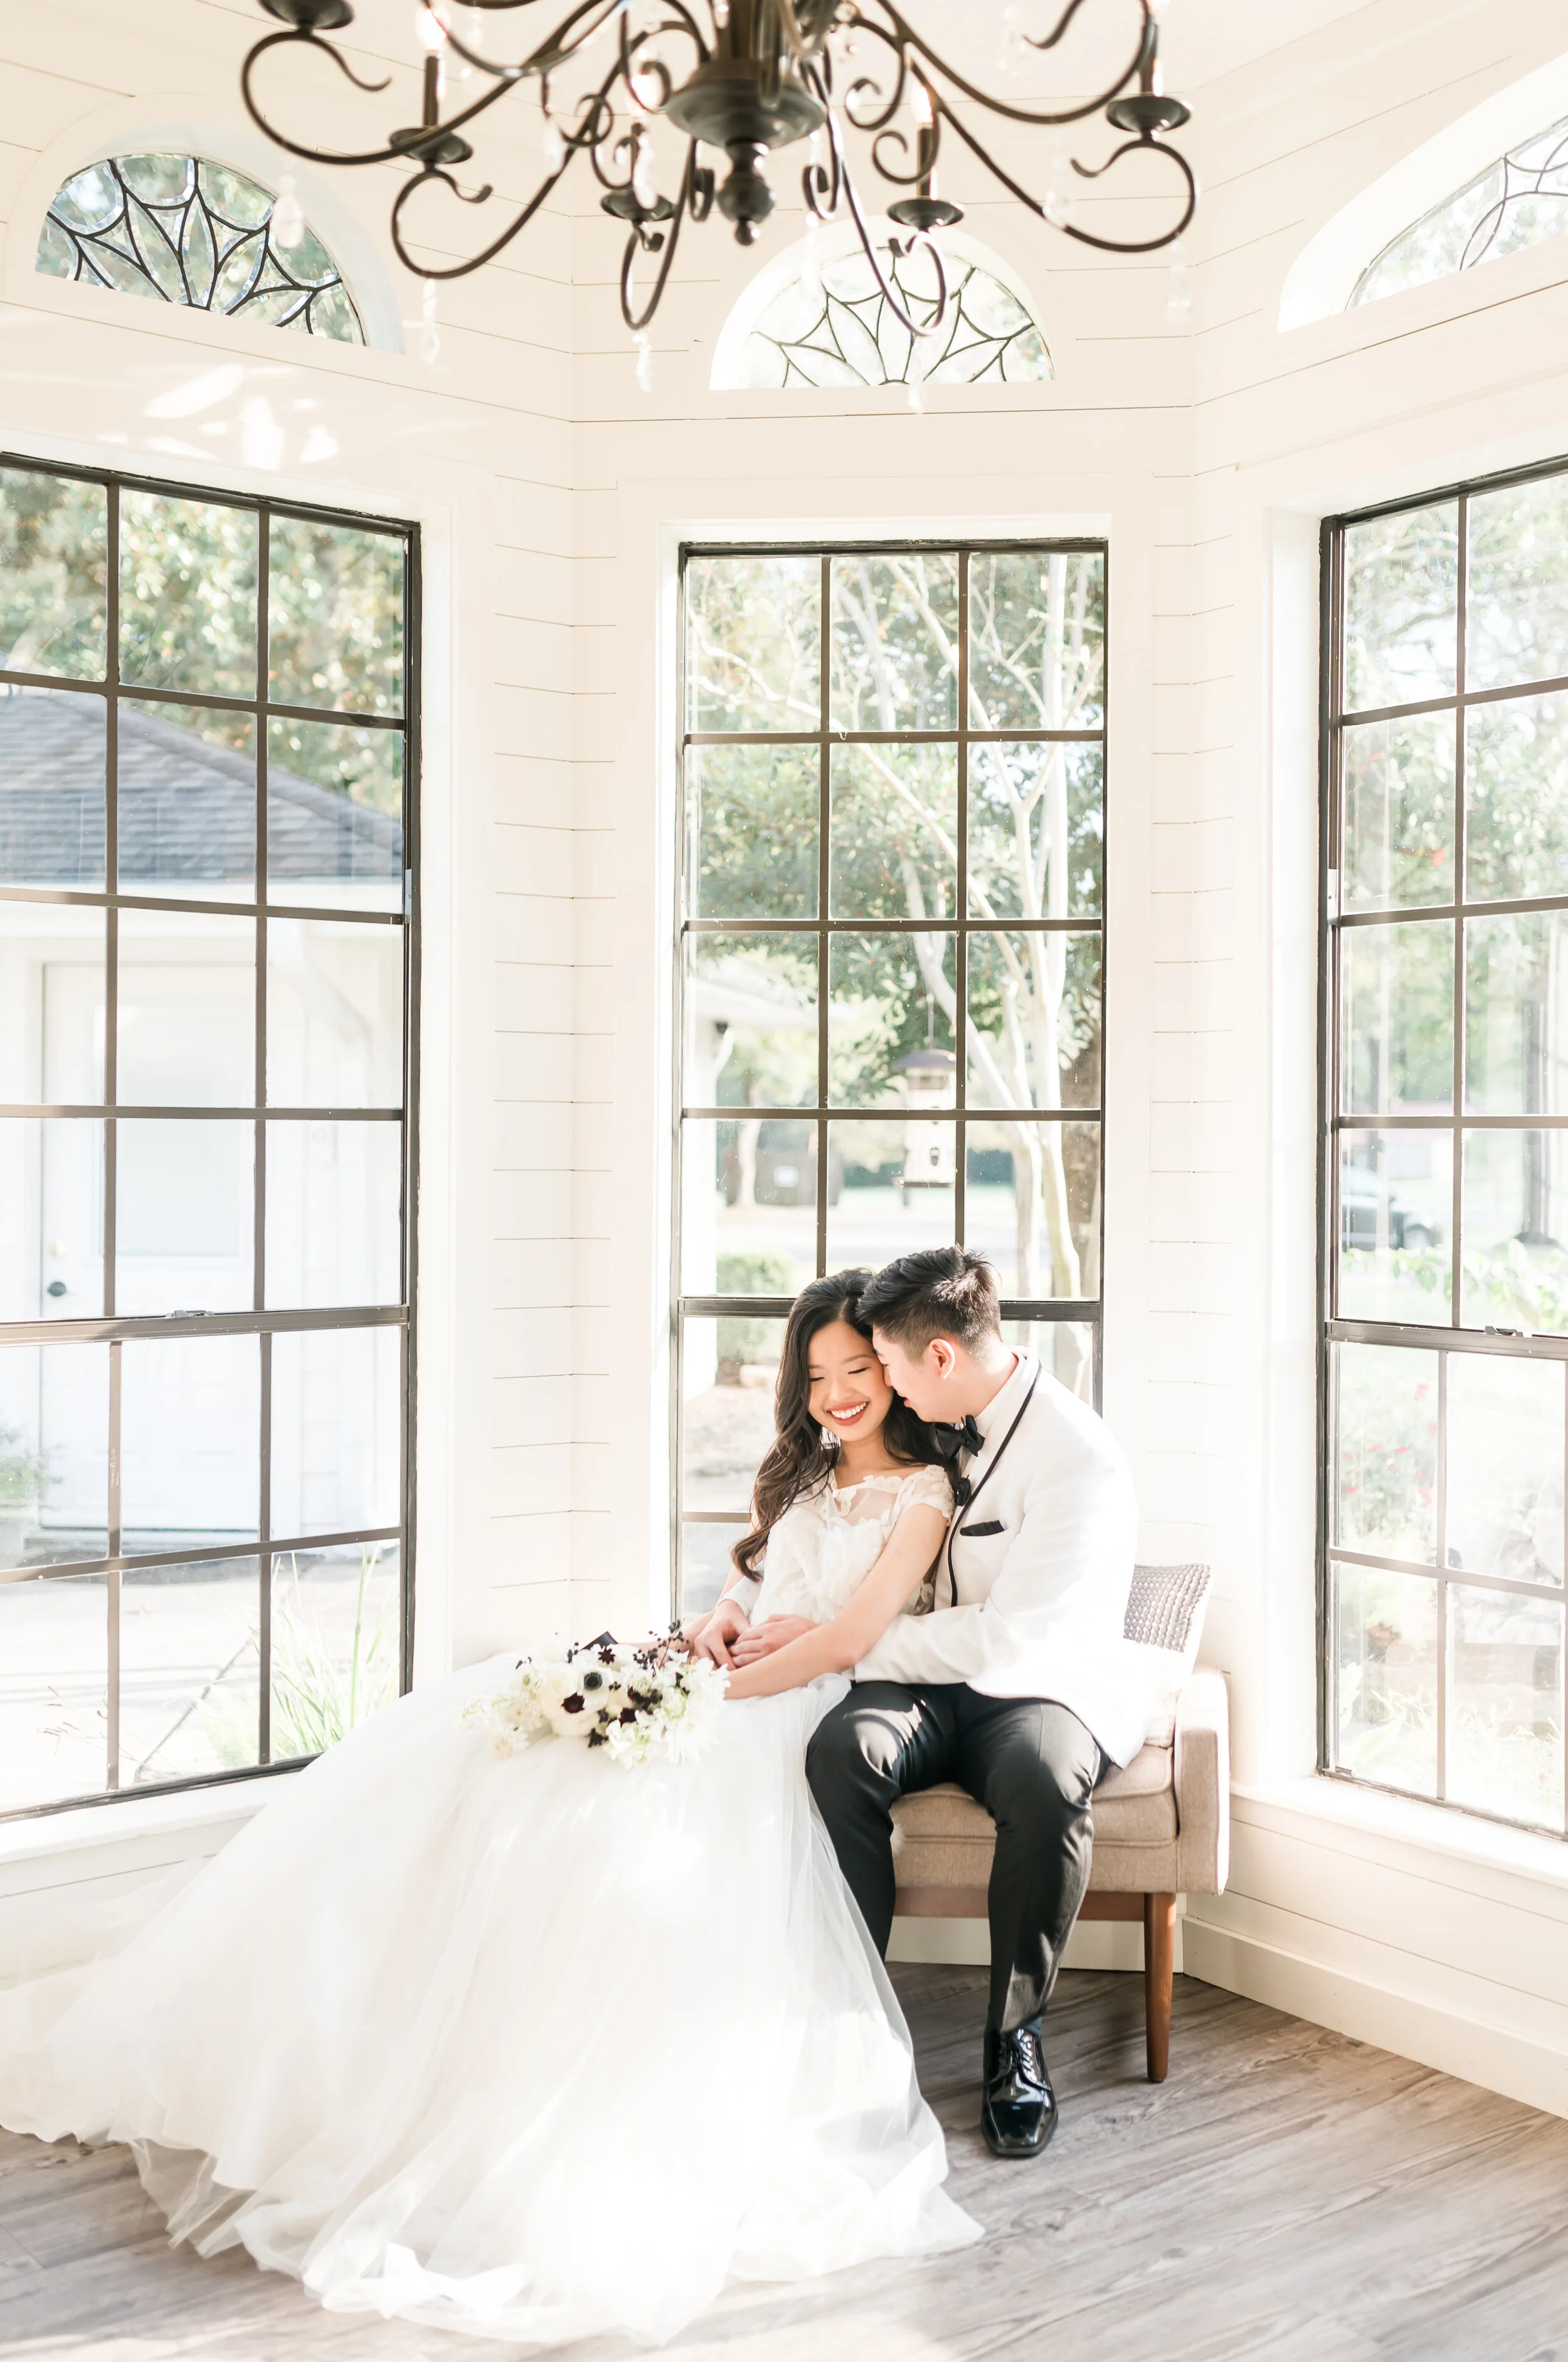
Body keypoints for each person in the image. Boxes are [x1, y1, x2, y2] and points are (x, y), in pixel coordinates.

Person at [0, 1274, 979, 2348]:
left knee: (613, 1813)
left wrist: (709, 1690)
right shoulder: (804, 1479)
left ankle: (539, 2093)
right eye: (818, 1374)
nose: (838, 1393)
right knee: (494, 1756)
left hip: (793, 1703)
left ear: (895, 1370)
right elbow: (748, 1587)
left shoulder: (922, 1494)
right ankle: (404, 2039)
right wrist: (711, 1628)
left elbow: (848, 1638)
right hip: (722, 1671)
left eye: (857, 1369)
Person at [699, 1247, 1147, 2163]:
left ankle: (1014, 2040)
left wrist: (838, 1642)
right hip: (921, 1682)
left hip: (1036, 1684)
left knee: (1042, 1781)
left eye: (887, 1367)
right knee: (842, 1750)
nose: (882, 1384)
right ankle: (850, 2014)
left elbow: (1008, 1641)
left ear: (938, 1359)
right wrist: (742, 1607)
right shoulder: (933, 1418)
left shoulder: (1077, 1460)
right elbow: (809, 1526)